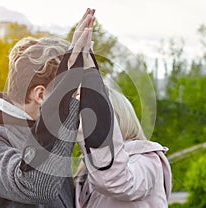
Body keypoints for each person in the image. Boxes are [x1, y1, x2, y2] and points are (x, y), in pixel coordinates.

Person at [0, 8, 96, 208]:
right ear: (40, 95)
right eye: (70, 95)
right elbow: (36, 186)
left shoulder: (46, 128)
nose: (76, 104)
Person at [72, 25, 172, 208]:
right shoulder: (87, 170)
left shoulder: (145, 160)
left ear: (116, 119)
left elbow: (115, 181)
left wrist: (89, 73)